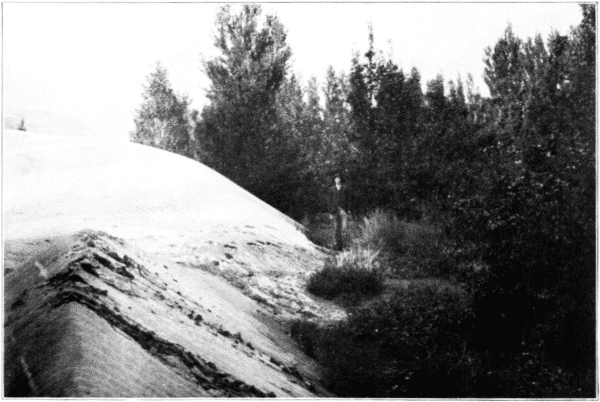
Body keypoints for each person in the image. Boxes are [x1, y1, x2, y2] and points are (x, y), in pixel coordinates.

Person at [328, 174, 351, 251]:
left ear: (340, 179)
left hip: (343, 210)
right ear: (334, 180)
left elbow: (348, 200)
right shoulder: (331, 189)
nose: (337, 180)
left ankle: (345, 246)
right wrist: (330, 213)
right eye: (336, 178)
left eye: (338, 178)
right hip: (334, 210)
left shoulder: (345, 188)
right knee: (336, 228)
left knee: (344, 228)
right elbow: (330, 201)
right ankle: (338, 246)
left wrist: (348, 210)